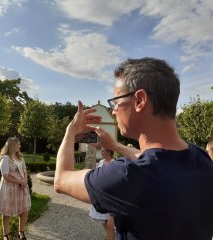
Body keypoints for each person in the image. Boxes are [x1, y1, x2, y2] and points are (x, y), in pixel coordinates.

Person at [54, 57, 213, 240]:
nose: (113, 110)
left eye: (115, 101)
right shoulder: (202, 159)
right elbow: (154, 160)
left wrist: (70, 131)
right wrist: (114, 145)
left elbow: (61, 179)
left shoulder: (128, 175)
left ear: (140, 100)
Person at [0, 137, 31, 240]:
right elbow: (5, 176)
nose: (20, 146)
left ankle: (21, 232)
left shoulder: (20, 157)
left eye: (19, 144)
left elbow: (24, 170)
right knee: (7, 212)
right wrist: (20, 182)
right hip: (9, 188)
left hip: (22, 187)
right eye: (18, 144)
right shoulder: (5, 159)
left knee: (24, 210)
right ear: (12, 145)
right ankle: (5, 235)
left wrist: (25, 181)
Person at [89, 148, 115, 240]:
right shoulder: (101, 162)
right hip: (100, 193)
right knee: (102, 219)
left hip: (109, 194)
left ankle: (111, 236)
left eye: (103, 151)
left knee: (110, 218)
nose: (102, 152)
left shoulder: (114, 163)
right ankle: (109, 235)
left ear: (109, 152)